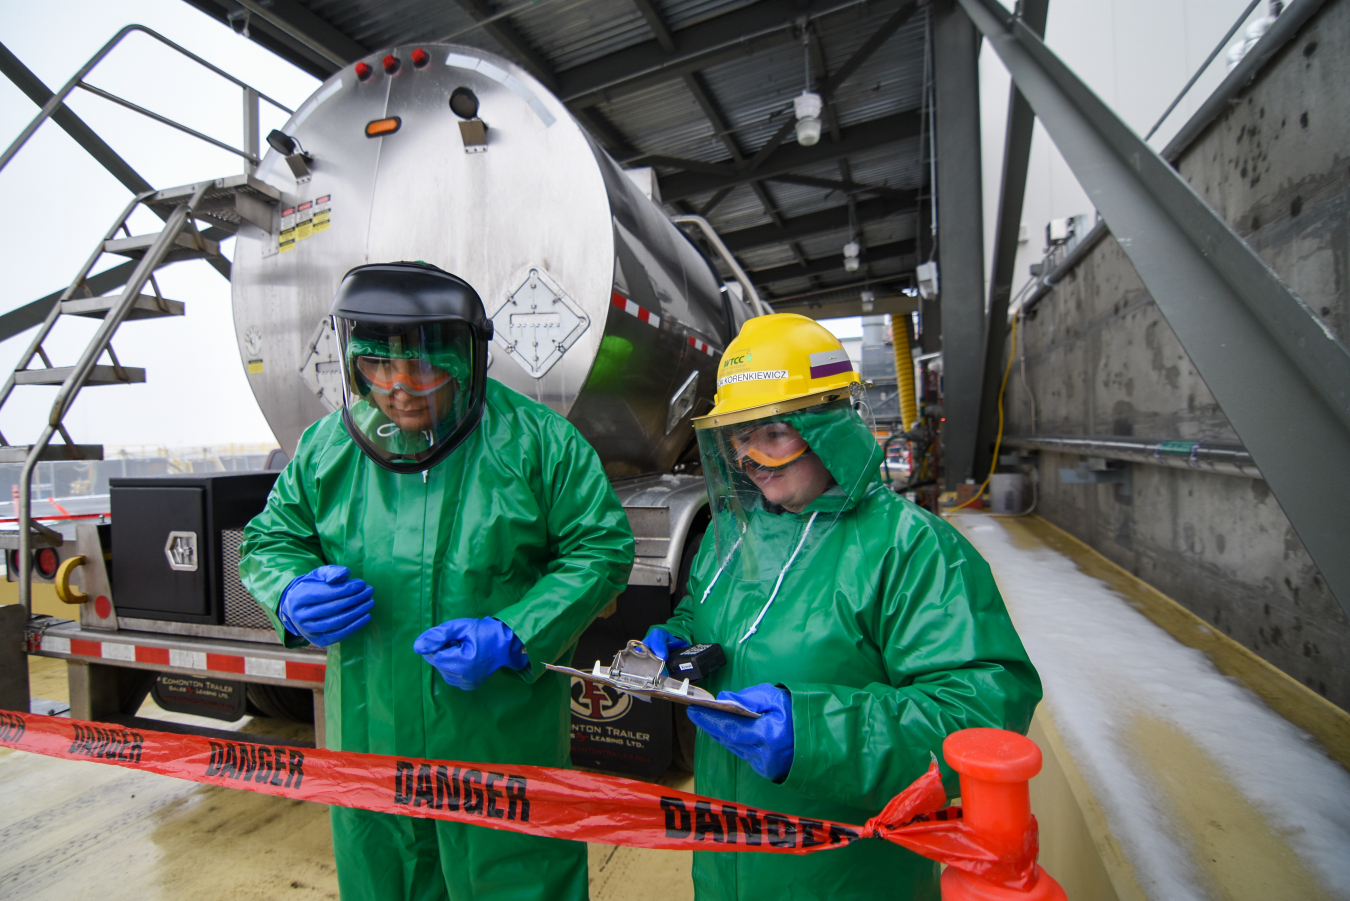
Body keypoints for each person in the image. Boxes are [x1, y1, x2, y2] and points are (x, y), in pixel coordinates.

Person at [240, 261, 634, 901]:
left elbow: (602, 547)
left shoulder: (536, 444)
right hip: (370, 747)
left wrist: (516, 632)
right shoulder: (326, 451)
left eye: (422, 367)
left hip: (498, 747)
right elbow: (270, 538)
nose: (399, 387)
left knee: (513, 883)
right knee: (384, 883)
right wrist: (286, 591)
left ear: (466, 358)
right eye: (377, 366)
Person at [643, 313, 1042, 901]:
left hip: (845, 874)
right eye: (737, 436)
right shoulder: (740, 538)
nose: (749, 459)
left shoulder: (912, 548)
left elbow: (981, 718)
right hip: (727, 862)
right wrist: (677, 641)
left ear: (829, 426)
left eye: (772, 434)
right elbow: (707, 618)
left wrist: (816, 735)